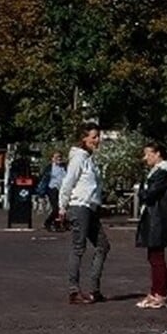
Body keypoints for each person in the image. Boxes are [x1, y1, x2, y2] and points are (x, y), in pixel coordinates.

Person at [55, 122, 110, 304]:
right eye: (94, 137)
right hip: (79, 206)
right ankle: (74, 290)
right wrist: (62, 207)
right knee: (78, 248)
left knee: (103, 245)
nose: (97, 140)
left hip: (91, 207)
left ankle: (94, 288)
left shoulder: (89, 159)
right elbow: (68, 182)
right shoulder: (78, 158)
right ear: (84, 138)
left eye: (98, 137)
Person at [134, 142, 167, 309]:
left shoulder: (162, 173)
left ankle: (160, 294)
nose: (145, 158)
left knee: (157, 257)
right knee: (153, 256)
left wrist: (142, 191)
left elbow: (151, 194)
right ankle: (155, 292)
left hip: (157, 218)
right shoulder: (157, 173)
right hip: (154, 217)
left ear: (157, 154)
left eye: (148, 154)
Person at [41, 150, 68, 232]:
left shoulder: (64, 167)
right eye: (56, 157)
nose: (58, 159)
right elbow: (44, 179)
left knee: (62, 208)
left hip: (62, 190)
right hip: (52, 189)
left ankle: (58, 224)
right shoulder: (49, 168)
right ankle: (48, 222)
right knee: (56, 208)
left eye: (60, 157)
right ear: (52, 159)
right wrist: (41, 193)